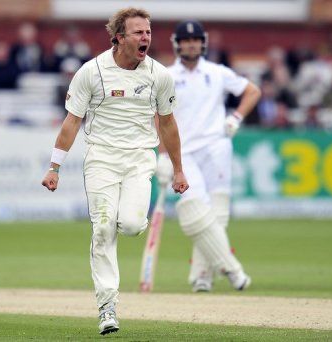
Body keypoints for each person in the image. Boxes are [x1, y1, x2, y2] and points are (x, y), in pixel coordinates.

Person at [41, 8, 188, 335]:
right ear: (119, 37)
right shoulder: (92, 72)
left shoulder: (159, 75)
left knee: (133, 225)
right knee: (103, 228)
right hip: (101, 160)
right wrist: (54, 166)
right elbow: (71, 122)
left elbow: (168, 124)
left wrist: (178, 169)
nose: (145, 38)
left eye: (148, 32)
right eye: (138, 33)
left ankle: (129, 226)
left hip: (139, 159)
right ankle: (107, 306)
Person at [156, 20, 261, 293]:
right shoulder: (165, 75)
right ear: (177, 44)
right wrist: (163, 155)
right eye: (186, 40)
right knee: (193, 212)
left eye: (195, 40)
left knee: (217, 215)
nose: (191, 44)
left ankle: (202, 276)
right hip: (184, 153)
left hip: (216, 147)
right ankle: (233, 270)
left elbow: (253, 91)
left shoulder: (217, 72)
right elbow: (159, 117)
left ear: (203, 42)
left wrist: (236, 118)